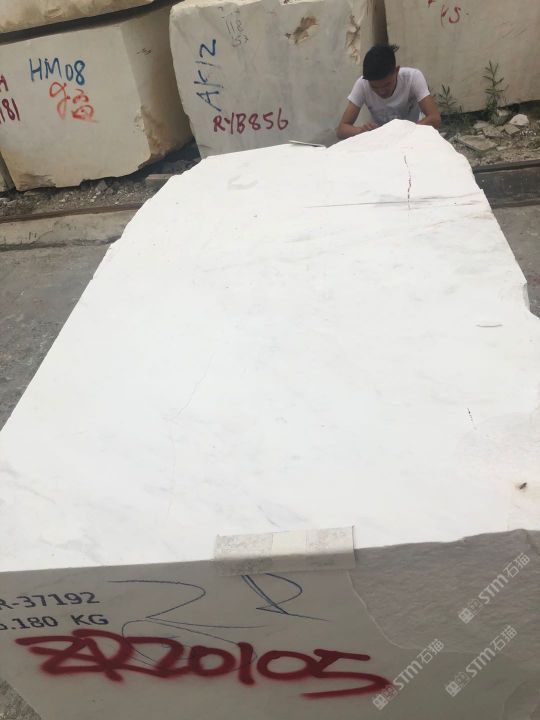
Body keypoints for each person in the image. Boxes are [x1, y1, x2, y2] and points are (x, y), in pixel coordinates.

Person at [336, 44, 441, 139]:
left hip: (412, 136)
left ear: (396, 71)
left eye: (387, 85)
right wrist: (361, 131)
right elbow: (341, 129)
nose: (381, 92)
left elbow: (435, 118)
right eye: (374, 87)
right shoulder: (362, 84)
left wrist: (403, 133)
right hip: (382, 140)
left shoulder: (412, 78)